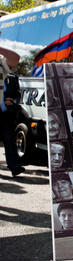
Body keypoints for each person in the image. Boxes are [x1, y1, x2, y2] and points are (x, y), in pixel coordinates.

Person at [0, 46, 25, 177]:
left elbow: (15, 59)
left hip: (3, 113)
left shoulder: (1, 62)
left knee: (9, 140)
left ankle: (14, 167)